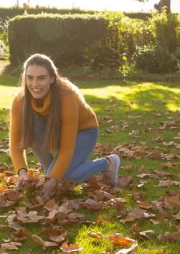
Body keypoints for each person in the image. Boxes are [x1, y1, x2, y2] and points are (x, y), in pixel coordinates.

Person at [9, 53, 120, 187]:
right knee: (52, 175)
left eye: (41, 78)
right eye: (30, 78)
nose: (34, 84)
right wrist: (22, 174)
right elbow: (15, 144)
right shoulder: (20, 100)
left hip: (84, 132)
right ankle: (51, 173)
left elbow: (66, 149)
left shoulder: (67, 96)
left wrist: (52, 181)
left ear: (52, 78)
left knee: (60, 181)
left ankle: (108, 163)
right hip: (54, 132)